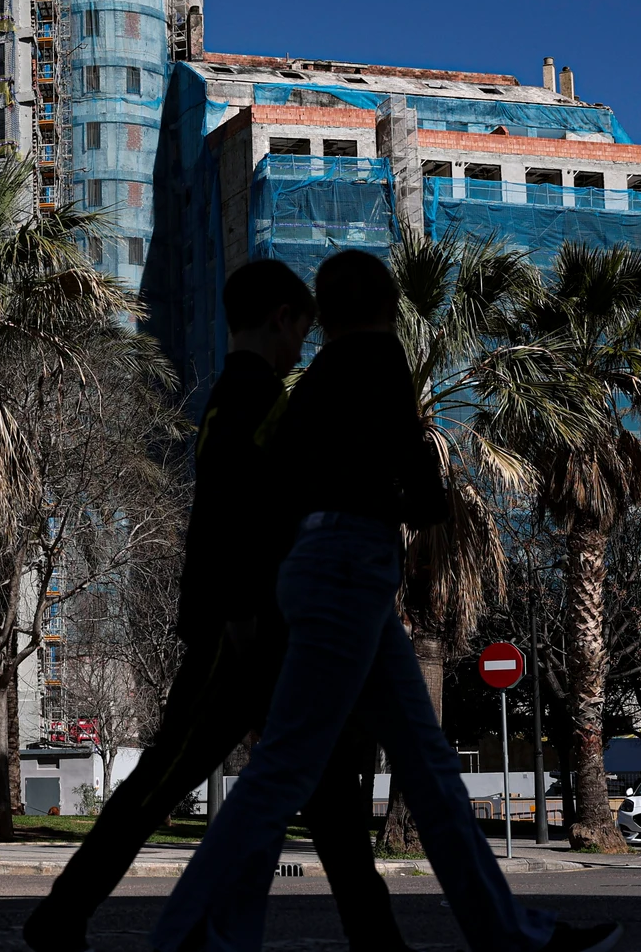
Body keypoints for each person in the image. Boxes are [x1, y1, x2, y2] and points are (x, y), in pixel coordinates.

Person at [148, 252, 620, 952]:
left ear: (326, 313)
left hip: (319, 571)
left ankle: (511, 933)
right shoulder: (381, 358)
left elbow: (272, 499)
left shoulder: (308, 389)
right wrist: (406, 487)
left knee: (425, 766)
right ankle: (184, 931)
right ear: (387, 306)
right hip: (353, 564)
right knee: (288, 768)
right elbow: (426, 495)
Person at [24, 259, 409, 952]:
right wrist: (238, 613)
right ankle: (62, 914)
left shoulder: (237, 395)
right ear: (283, 318)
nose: (304, 346)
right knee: (164, 781)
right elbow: (234, 511)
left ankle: (375, 937)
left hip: (259, 626)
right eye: (301, 329)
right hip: (239, 631)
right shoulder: (255, 396)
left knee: (326, 796)